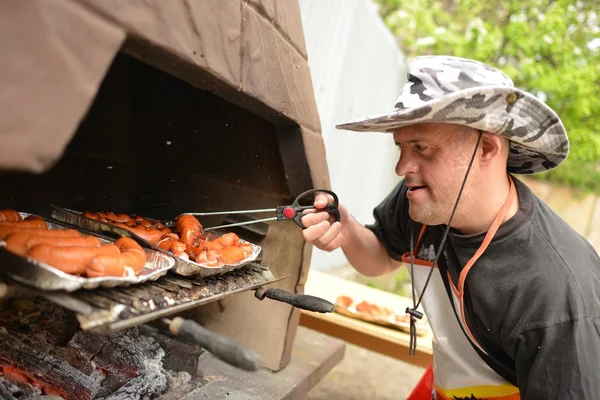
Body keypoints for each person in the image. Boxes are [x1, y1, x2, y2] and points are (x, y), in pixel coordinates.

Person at [301, 55, 600, 399]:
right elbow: (383, 257)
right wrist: (348, 229)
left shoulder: (555, 294)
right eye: (401, 146)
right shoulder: (423, 200)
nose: (401, 167)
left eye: (422, 147)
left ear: (486, 147)